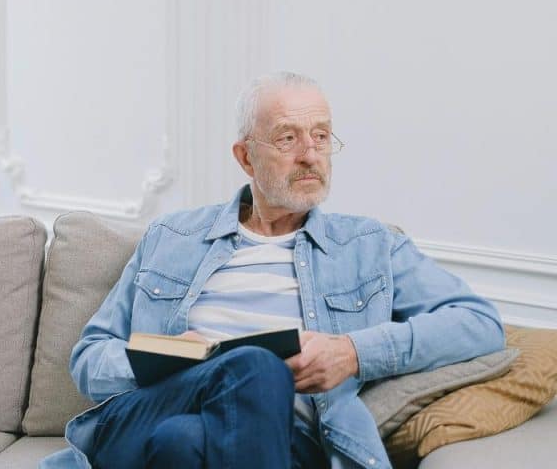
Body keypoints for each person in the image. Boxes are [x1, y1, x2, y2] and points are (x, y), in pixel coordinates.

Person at [40, 72, 505, 469]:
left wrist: (352, 352)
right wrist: (167, 356)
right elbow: (89, 360)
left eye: (321, 136)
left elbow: (479, 324)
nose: (310, 154)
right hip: (149, 410)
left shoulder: (369, 245)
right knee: (253, 367)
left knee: (183, 442)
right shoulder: (171, 236)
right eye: (288, 137)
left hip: (286, 434)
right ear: (245, 157)